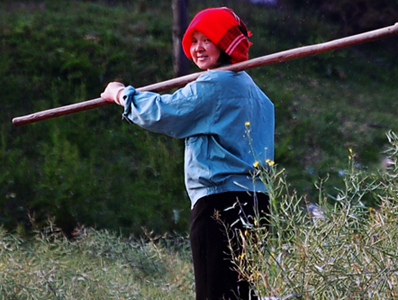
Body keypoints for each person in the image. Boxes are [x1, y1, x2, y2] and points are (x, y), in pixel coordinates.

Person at [101, 7, 274, 300]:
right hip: (258, 205)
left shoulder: (213, 85)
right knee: (240, 293)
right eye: (193, 41)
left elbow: (164, 113)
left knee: (214, 293)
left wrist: (121, 94)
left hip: (220, 205)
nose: (198, 48)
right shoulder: (257, 94)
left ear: (224, 42)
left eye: (207, 39)